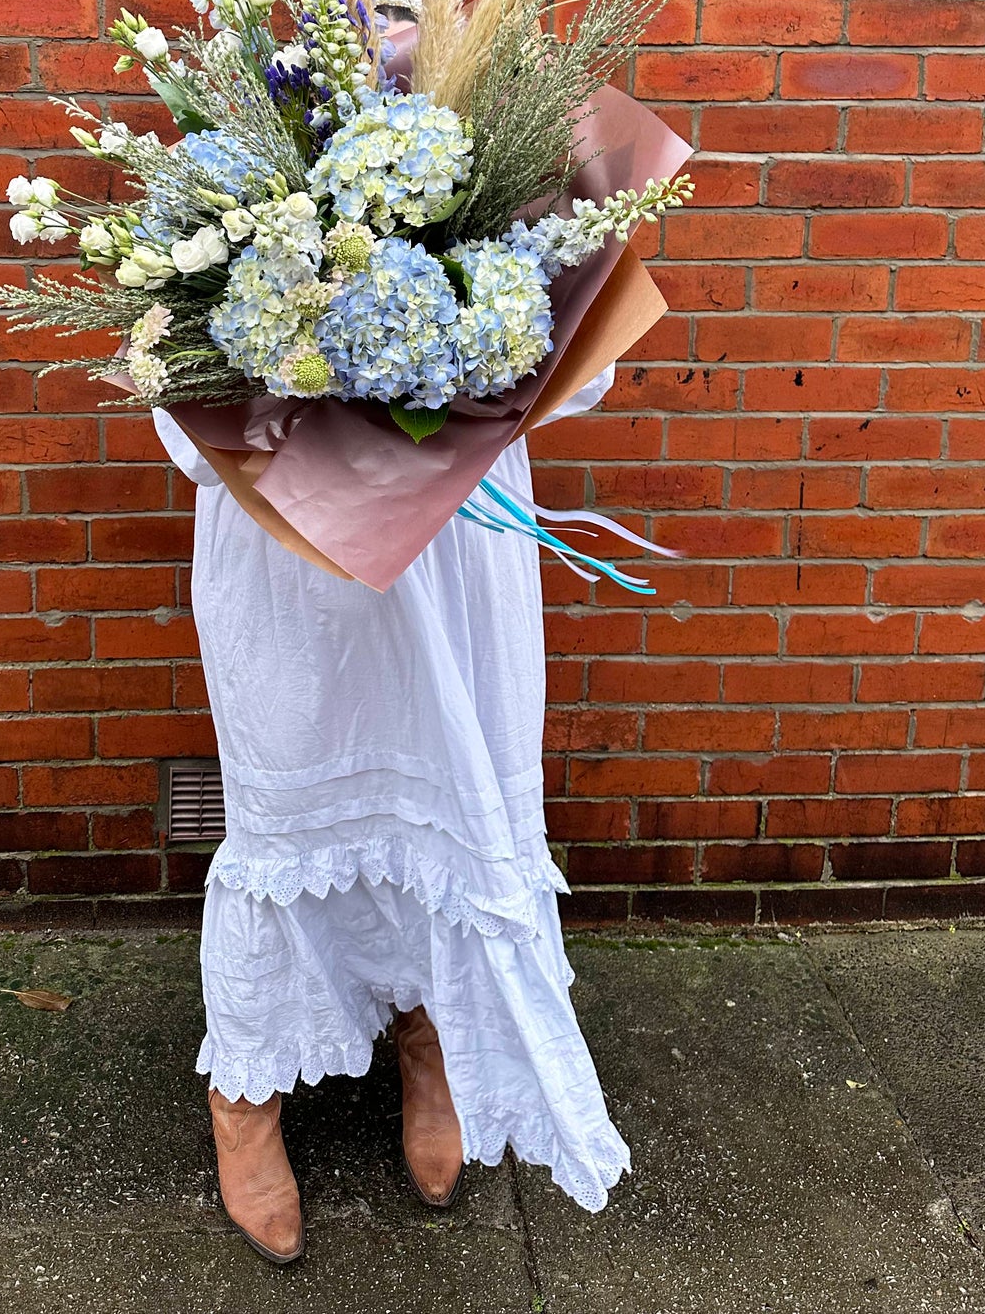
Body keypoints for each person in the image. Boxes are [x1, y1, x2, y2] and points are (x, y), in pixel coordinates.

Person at [153, 358, 629, 1266]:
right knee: (287, 802)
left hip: (458, 525)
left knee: (451, 790)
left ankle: (431, 1031)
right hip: (282, 510)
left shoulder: (552, 198)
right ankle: (245, 1093)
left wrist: (469, 354)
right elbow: (169, 357)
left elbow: (584, 353)